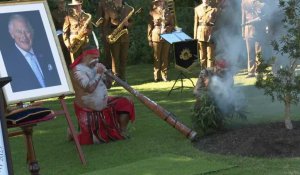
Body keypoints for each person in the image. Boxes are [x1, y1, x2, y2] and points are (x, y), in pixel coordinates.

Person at [70, 46, 135, 145]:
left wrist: (109, 78)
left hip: (104, 102)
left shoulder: (96, 67)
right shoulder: (78, 71)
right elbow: (89, 89)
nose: (96, 60)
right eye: (93, 57)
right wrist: (99, 74)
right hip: (88, 107)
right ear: (86, 56)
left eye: (97, 57)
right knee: (94, 140)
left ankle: (122, 130)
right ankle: (72, 134)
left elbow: (107, 86)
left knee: (125, 102)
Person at [1, 14, 61, 92]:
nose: (24, 36)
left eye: (27, 31)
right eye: (19, 32)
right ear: (12, 34)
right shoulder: (7, 63)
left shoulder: (47, 53)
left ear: (32, 31)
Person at [103, 0, 133, 81]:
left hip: (124, 36)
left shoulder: (128, 8)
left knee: (123, 58)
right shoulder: (108, 8)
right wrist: (107, 35)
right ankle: (115, 78)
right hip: (114, 34)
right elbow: (105, 24)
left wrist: (128, 24)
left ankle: (123, 78)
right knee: (115, 58)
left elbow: (132, 23)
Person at [148, 0, 175, 82]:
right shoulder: (152, 12)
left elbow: (172, 24)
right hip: (156, 35)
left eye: (162, 1)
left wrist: (166, 29)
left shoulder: (168, 12)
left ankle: (164, 76)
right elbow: (150, 26)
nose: (160, 2)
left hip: (167, 35)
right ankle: (157, 76)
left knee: (165, 57)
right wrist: (149, 39)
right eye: (159, 1)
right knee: (156, 57)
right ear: (156, 3)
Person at [241, 0, 266, 78]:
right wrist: (243, 32)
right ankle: (251, 72)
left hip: (258, 28)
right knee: (250, 52)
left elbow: (264, 14)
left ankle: (259, 71)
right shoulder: (244, 2)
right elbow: (243, 17)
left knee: (259, 51)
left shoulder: (260, 2)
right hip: (248, 29)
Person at [194, 0, 218, 68]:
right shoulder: (197, 9)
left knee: (210, 56)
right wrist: (195, 37)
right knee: (202, 56)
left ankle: (210, 74)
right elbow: (196, 24)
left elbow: (217, 22)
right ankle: (203, 73)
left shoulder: (214, 8)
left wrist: (214, 32)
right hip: (200, 33)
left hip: (211, 33)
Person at [51, 0, 73, 66]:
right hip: (60, 33)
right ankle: (66, 64)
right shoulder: (54, 13)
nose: (61, 5)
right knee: (61, 42)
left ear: (65, 3)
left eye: (63, 3)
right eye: (60, 3)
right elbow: (53, 27)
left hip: (72, 32)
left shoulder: (70, 11)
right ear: (57, 4)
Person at [96, 0, 113, 69]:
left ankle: (115, 67)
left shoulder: (113, 2)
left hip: (114, 28)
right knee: (107, 50)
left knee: (115, 49)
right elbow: (99, 19)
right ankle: (109, 67)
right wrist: (101, 32)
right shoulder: (101, 4)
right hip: (105, 30)